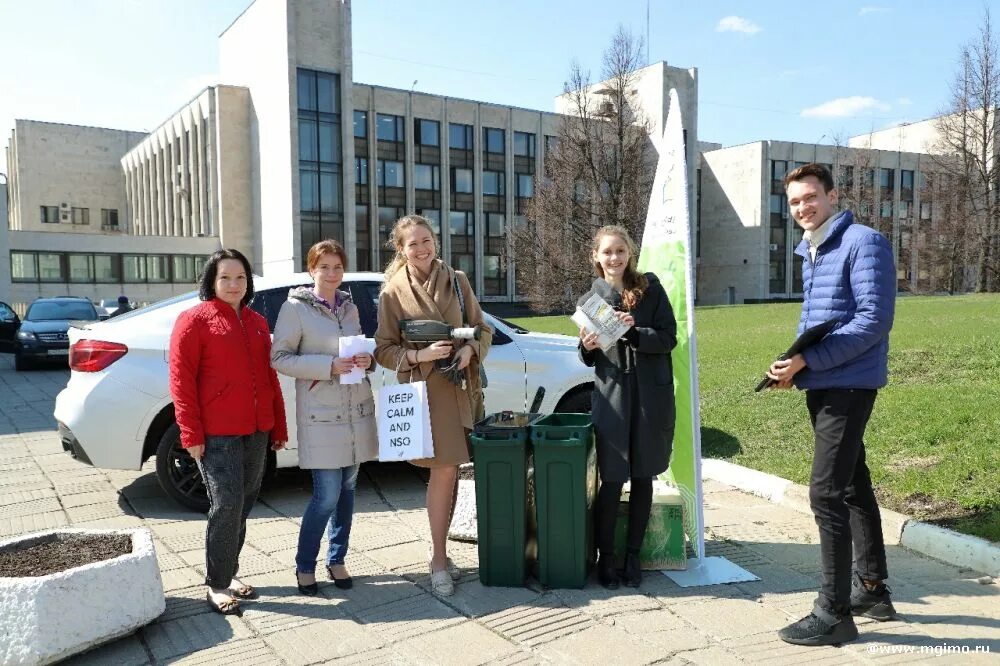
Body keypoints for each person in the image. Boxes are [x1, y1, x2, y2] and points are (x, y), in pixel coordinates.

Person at [767, 163, 897, 647]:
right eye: (795, 201)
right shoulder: (814, 249)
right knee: (851, 487)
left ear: (832, 195)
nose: (803, 207)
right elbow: (823, 320)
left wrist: (807, 360)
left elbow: (872, 321)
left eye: (810, 197)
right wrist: (793, 366)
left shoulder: (863, 242)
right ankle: (872, 589)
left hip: (850, 385)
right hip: (825, 382)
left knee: (824, 494)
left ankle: (834, 612)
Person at [374, 214, 492, 597]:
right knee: (443, 472)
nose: (422, 249)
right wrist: (421, 355)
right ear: (401, 249)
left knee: (454, 471)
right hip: (427, 394)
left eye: (427, 240)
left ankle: (442, 551)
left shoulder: (458, 281)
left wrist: (471, 349)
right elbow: (384, 350)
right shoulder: (392, 292)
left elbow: (481, 327)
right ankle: (438, 559)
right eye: (413, 244)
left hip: (462, 388)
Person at [168, 248, 287, 616]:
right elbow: (181, 381)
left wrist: (278, 425)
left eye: (240, 278)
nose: (234, 284)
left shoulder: (256, 322)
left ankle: (229, 572)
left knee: (245, 501)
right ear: (211, 281)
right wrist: (191, 434)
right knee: (227, 504)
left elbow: (269, 378)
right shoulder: (194, 320)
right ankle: (216, 583)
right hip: (217, 433)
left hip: (256, 431)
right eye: (225, 278)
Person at [271, 239, 377, 596]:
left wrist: (368, 360)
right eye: (324, 267)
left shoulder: (349, 307)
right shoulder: (294, 309)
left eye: (337, 267)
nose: (331, 274)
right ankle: (304, 565)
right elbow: (280, 358)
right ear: (311, 270)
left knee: (348, 490)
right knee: (326, 496)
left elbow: (358, 348)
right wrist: (326, 366)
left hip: (354, 409)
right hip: (322, 414)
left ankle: (337, 559)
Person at [578, 225, 677, 590]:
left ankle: (633, 556)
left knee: (643, 476)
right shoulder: (590, 300)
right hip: (613, 398)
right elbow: (587, 357)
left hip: (651, 397)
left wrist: (635, 333)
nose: (614, 258)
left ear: (630, 254)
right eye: (607, 252)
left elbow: (669, 337)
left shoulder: (649, 289)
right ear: (597, 257)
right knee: (613, 478)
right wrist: (587, 346)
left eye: (620, 251)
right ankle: (607, 558)